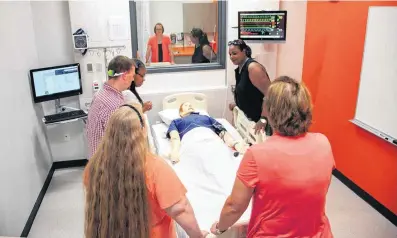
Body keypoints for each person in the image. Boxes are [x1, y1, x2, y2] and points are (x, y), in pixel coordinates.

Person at [210, 76, 335, 238]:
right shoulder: (323, 143)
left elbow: (234, 206)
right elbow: (317, 190)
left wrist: (219, 228)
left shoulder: (257, 154)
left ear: (270, 110)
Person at [83, 103, 208, 238]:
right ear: (142, 131)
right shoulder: (155, 168)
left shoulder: (93, 167)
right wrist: (198, 236)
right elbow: (180, 209)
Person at [86, 55, 135, 158]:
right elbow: (122, 145)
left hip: (97, 160)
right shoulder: (113, 105)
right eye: (132, 76)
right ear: (125, 76)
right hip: (107, 167)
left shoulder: (101, 94)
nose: (133, 79)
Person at [167, 102, 248, 163]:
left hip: (210, 138)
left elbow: (221, 131)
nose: (189, 106)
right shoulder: (176, 121)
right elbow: (174, 137)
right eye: (186, 105)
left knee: (221, 158)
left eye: (190, 105)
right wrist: (175, 151)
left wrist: (234, 143)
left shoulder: (206, 117)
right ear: (180, 113)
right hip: (192, 140)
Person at [228, 39, 272, 136]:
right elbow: (249, 93)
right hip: (248, 121)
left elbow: (270, 95)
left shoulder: (253, 68)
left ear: (244, 52)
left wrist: (263, 119)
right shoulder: (240, 69)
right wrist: (237, 105)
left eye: (234, 53)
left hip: (260, 121)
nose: (231, 57)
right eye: (230, 54)